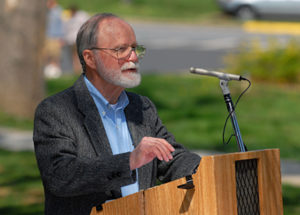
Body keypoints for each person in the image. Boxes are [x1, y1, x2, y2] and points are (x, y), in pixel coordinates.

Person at [33, 13, 201, 215]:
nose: (133, 57)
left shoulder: (141, 107)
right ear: (90, 58)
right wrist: (130, 160)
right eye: (121, 50)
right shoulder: (56, 110)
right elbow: (61, 176)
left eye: (134, 48)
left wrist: (209, 170)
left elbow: (170, 158)